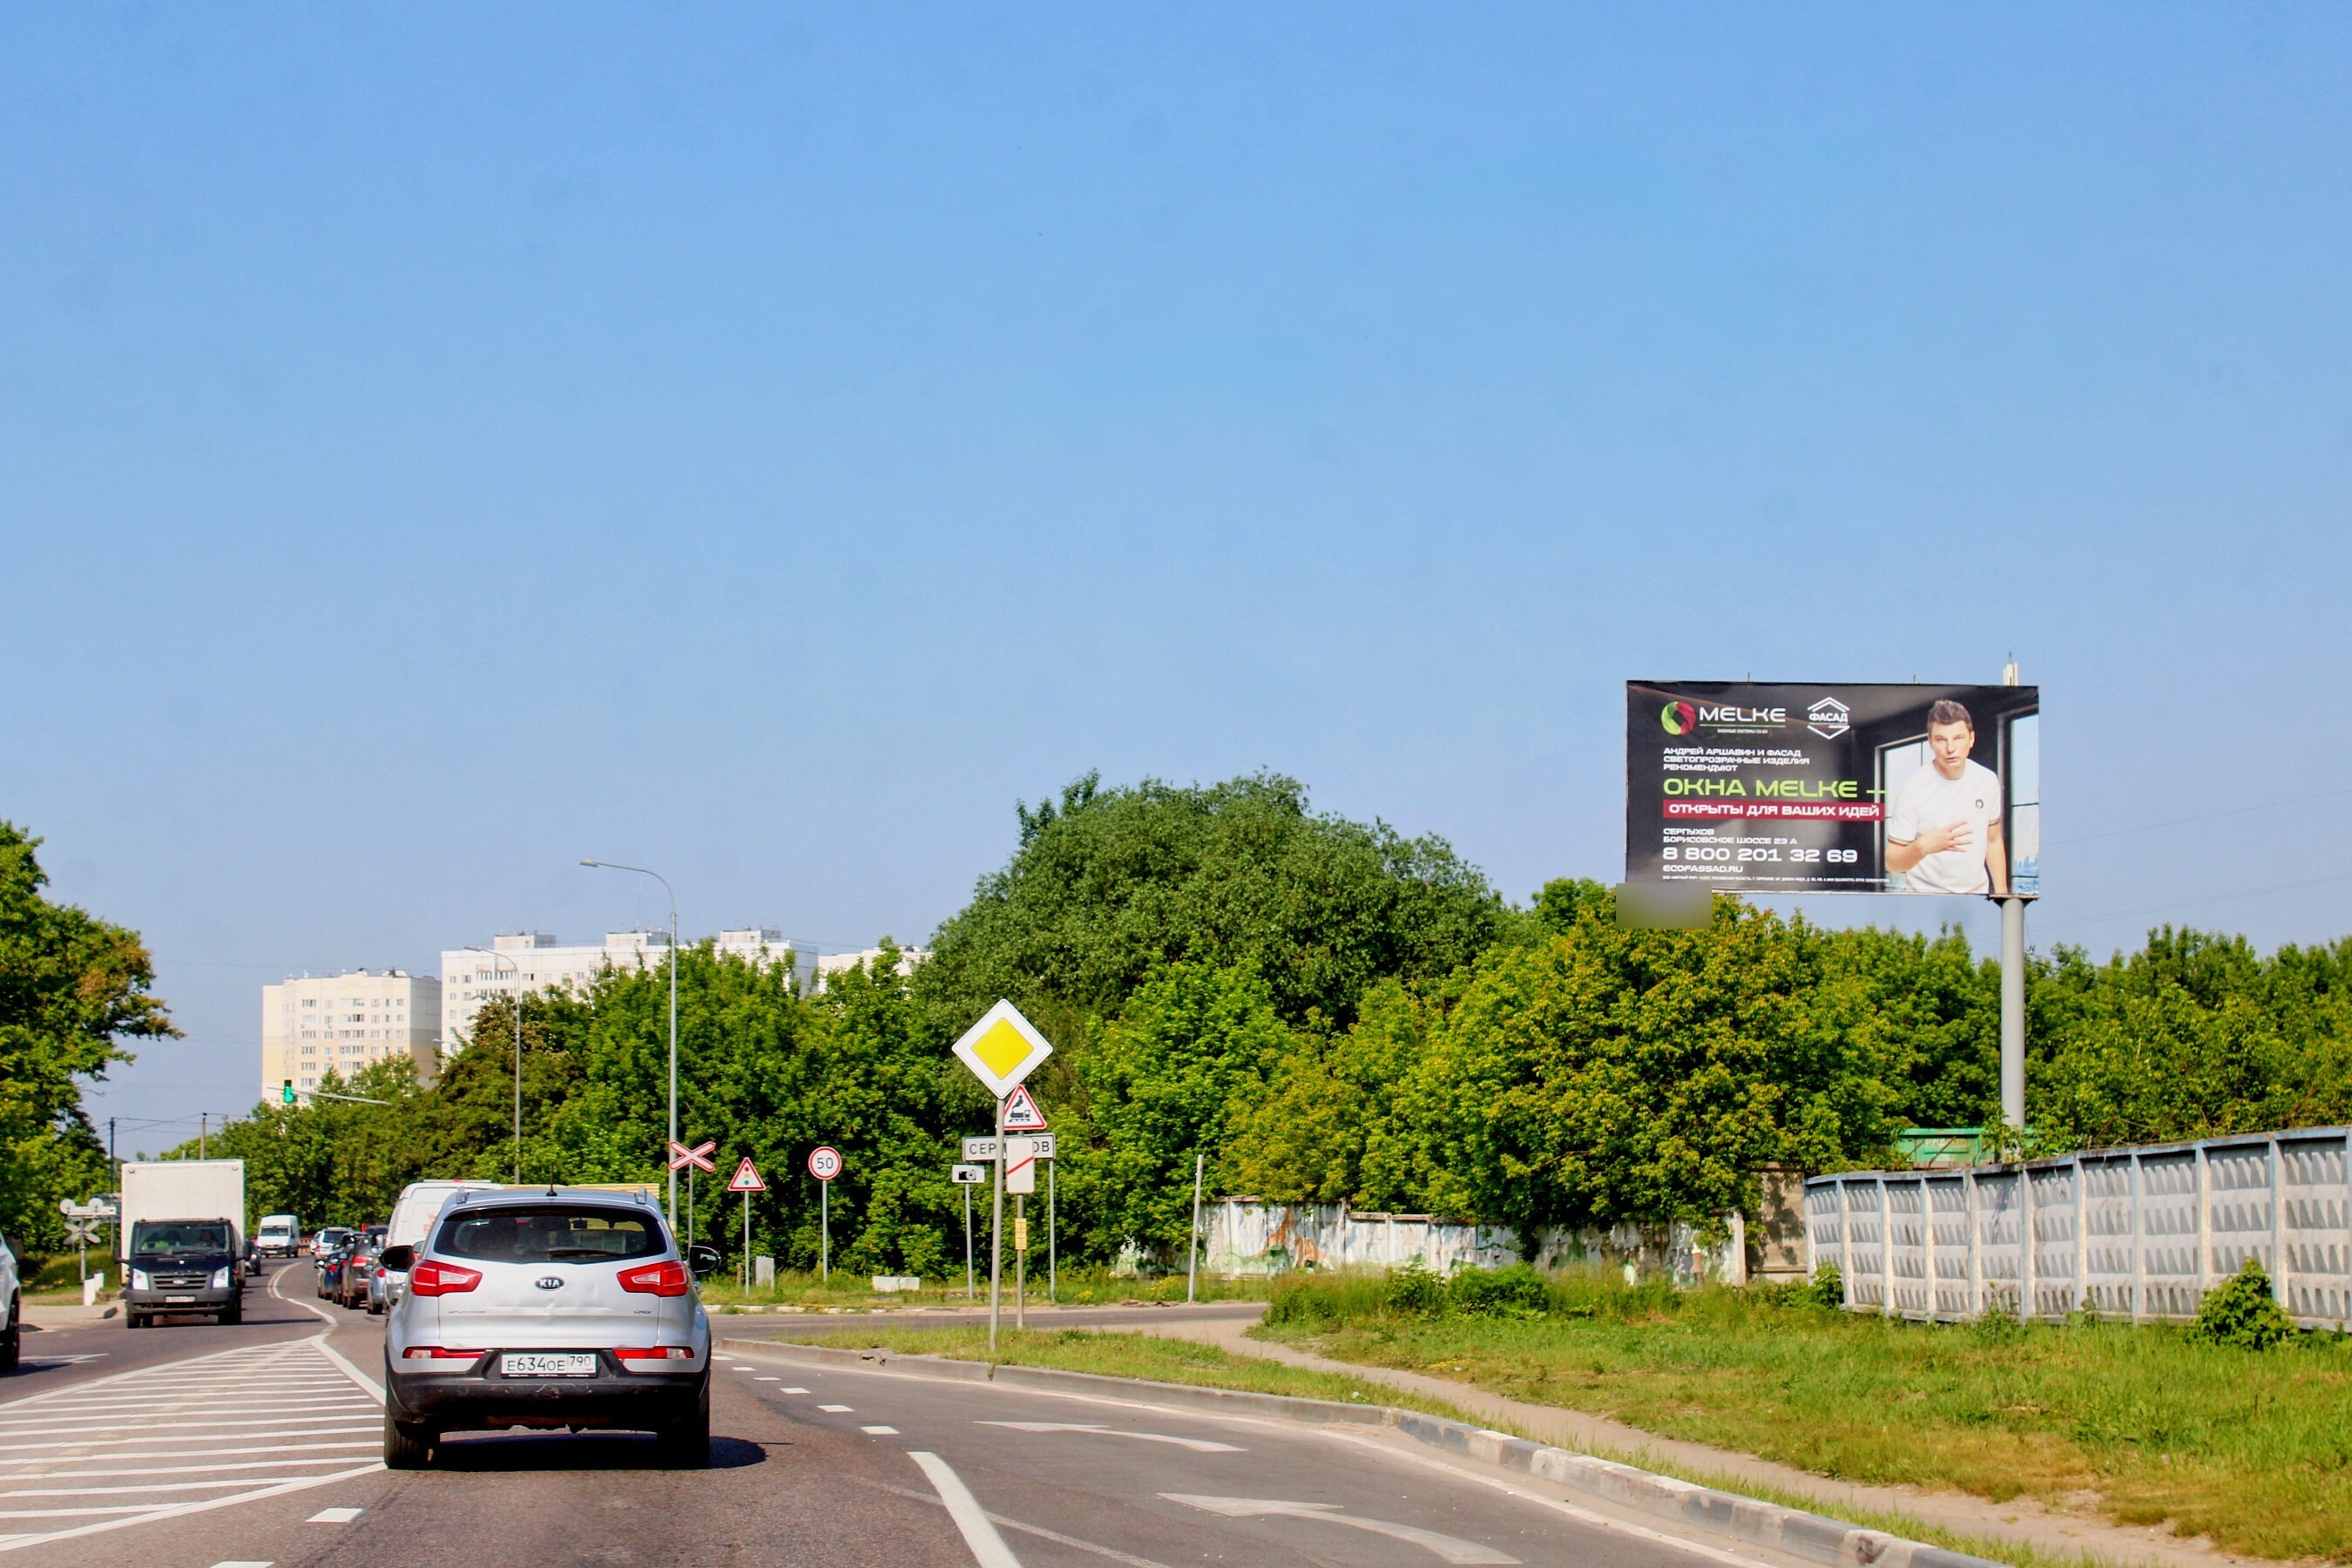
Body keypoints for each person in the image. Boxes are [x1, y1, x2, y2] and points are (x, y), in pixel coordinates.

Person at [1885, 700, 2009, 896]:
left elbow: (1993, 841)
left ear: (1972, 739)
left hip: (1977, 897)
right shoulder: (1912, 789)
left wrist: (2003, 895)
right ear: (1930, 742)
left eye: (1958, 738)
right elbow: (1892, 863)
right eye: (1941, 739)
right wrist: (1922, 847)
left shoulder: (1987, 780)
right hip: (1925, 899)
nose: (1950, 748)